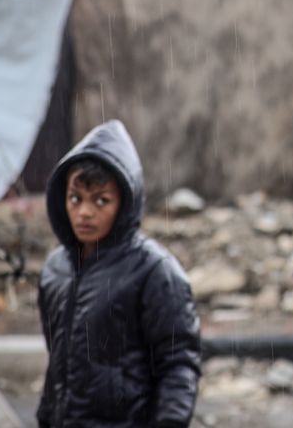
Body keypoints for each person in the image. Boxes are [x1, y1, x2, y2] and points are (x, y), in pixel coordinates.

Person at [37, 120, 201, 428]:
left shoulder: (155, 271)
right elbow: (57, 366)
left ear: (125, 202)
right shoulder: (55, 270)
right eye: (75, 198)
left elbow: (178, 366)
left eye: (101, 200)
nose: (85, 212)